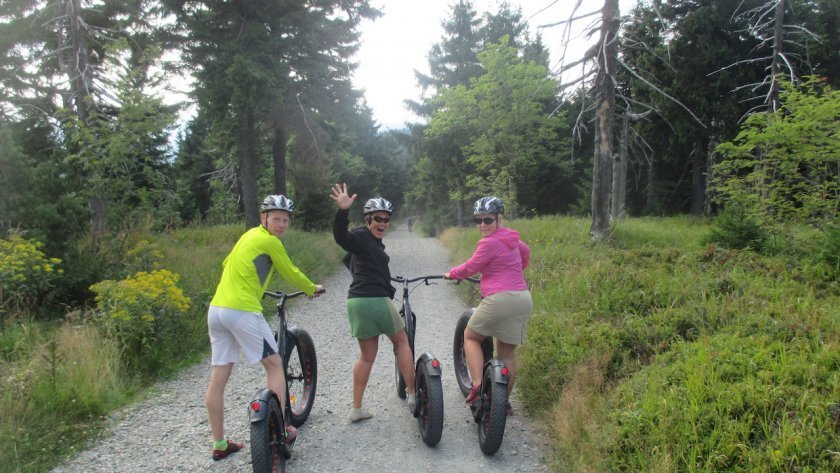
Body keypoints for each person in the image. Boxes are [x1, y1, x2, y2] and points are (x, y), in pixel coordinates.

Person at [204, 195, 324, 461]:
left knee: (219, 377)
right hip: (242, 311)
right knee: (274, 365)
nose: (281, 224)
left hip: (217, 310)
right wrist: (310, 288)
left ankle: (219, 443)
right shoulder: (271, 241)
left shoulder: (248, 236)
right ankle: (282, 430)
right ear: (264, 218)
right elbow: (289, 270)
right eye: (276, 218)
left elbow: (229, 265)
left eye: (285, 220)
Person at [329, 183, 416, 422]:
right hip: (374, 300)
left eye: (386, 220)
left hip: (355, 302)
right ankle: (413, 394)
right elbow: (341, 237)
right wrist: (343, 211)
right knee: (401, 342)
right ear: (368, 219)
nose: (382, 223)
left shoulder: (369, 243)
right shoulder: (360, 236)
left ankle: (356, 409)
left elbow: (352, 261)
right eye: (378, 218)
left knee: (366, 357)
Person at [444, 196, 532, 416]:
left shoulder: (488, 242)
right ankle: (503, 403)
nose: (482, 225)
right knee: (507, 355)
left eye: (488, 220)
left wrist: (452, 273)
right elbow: (526, 253)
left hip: (499, 299)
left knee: (471, 337)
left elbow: (472, 266)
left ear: (499, 218)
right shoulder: (512, 238)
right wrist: (514, 271)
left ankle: (476, 386)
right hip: (522, 298)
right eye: (478, 220)